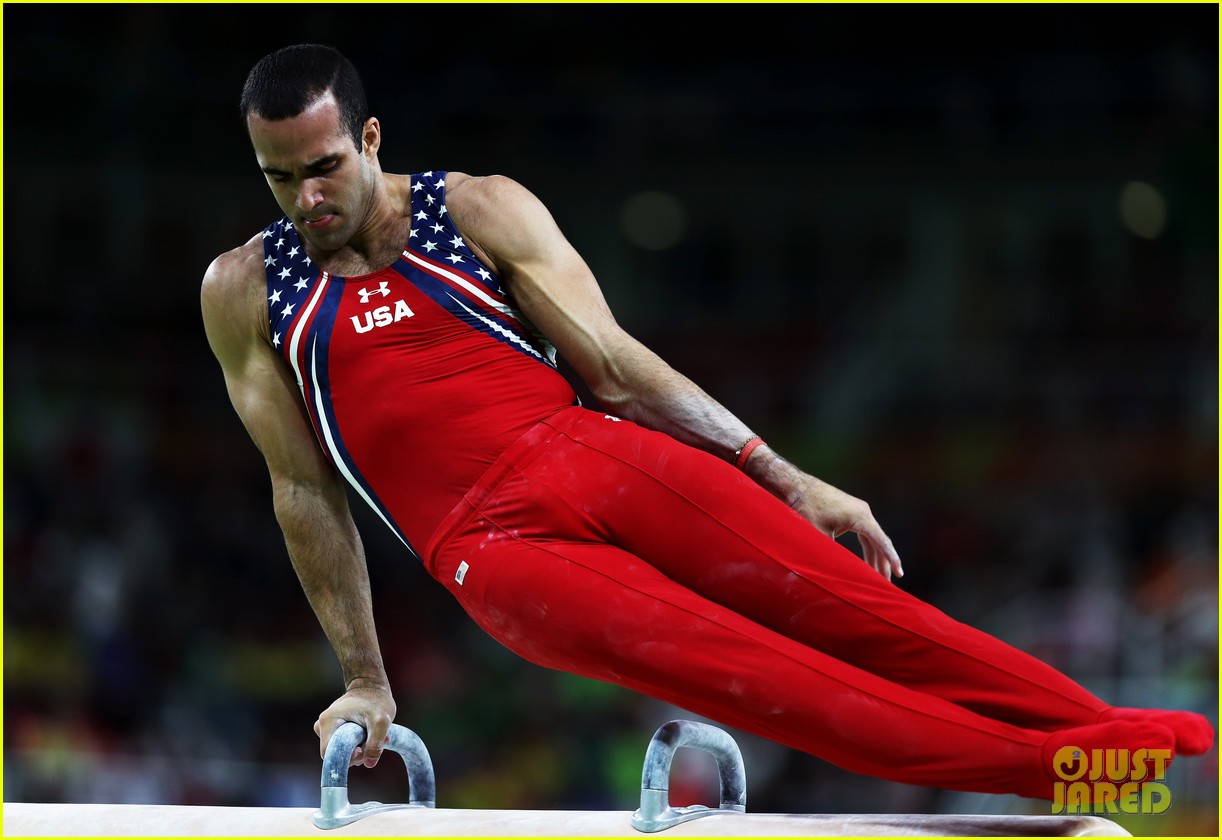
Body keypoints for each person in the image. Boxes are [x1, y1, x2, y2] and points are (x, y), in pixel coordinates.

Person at [201, 43, 1212, 803]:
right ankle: (1071, 773)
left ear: (370, 138)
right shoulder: (247, 291)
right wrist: (366, 680)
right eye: (280, 178)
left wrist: (785, 475)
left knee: (864, 613)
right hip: (492, 549)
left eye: (324, 166)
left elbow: (613, 367)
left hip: (589, 449)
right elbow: (304, 489)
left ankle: (1107, 728)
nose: (308, 197)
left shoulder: (475, 210)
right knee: (768, 676)